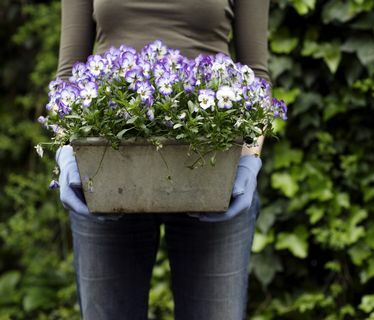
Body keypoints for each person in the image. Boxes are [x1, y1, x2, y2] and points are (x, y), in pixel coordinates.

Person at [54, 0, 271, 319]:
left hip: (212, 170)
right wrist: (67, 152)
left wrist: (249, 160)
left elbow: (257, 77)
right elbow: (68, 75)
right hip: (106, 171)